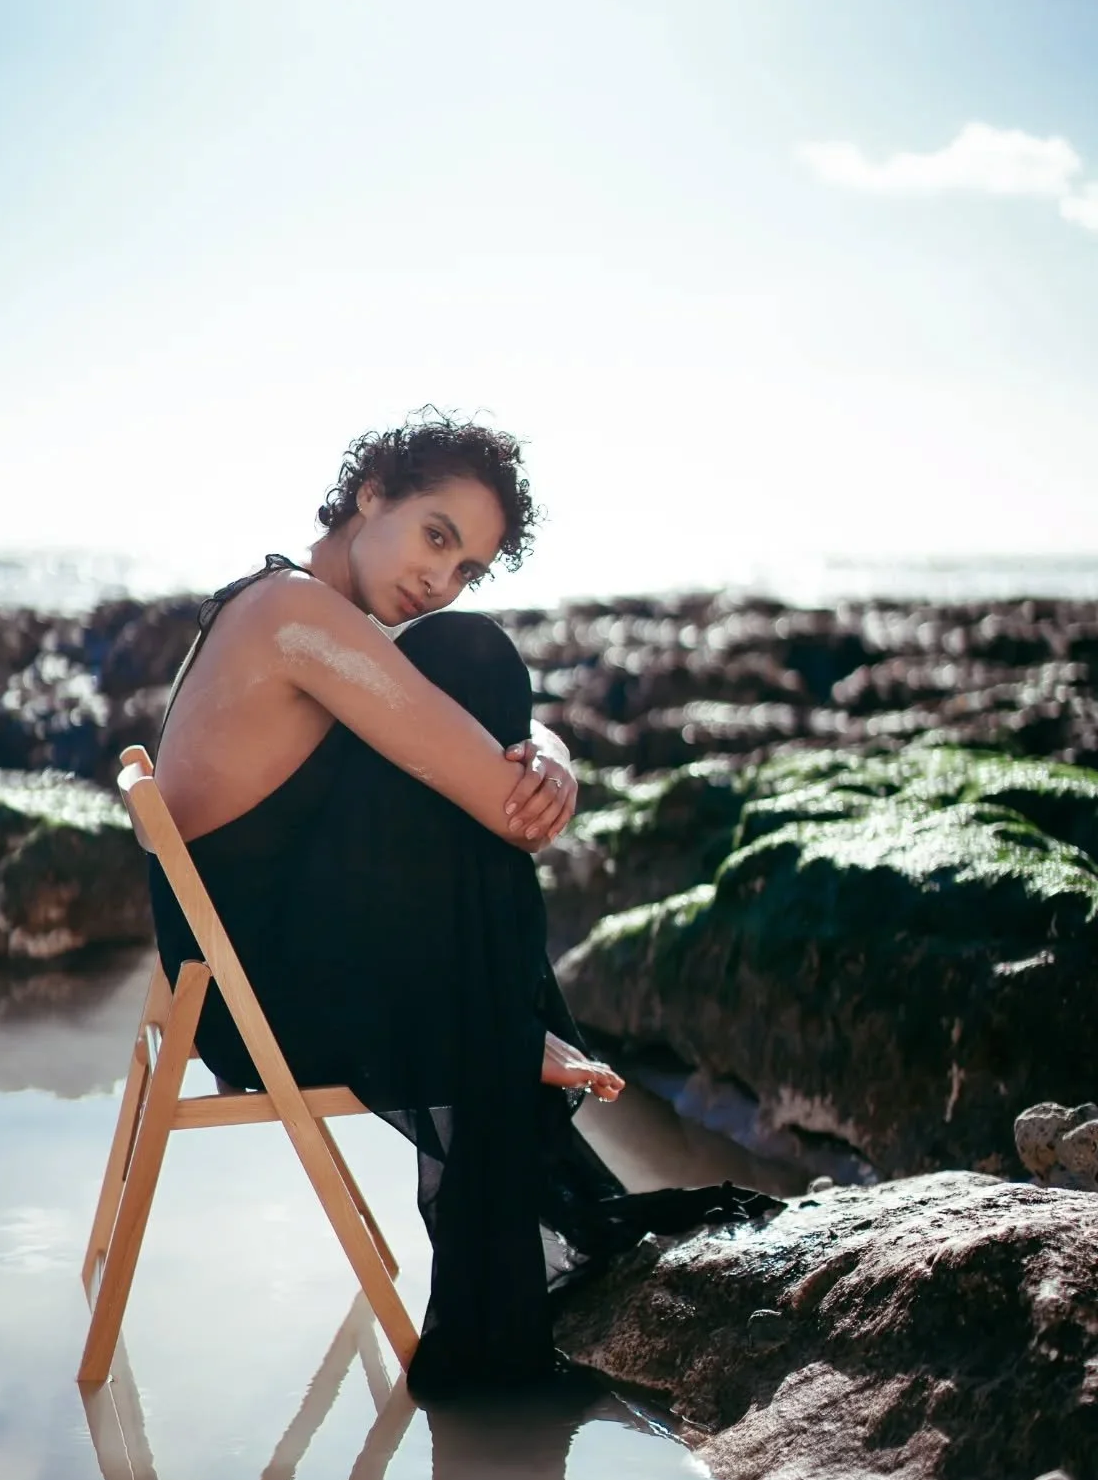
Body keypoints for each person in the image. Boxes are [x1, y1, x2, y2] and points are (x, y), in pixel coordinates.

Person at [149, 413, 776, 1400]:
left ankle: (496, 1024)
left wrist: (554, 755)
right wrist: (539, 774)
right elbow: (501, 806)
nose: (441, 578)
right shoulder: (293, 617)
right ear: (371, 496)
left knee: (462, 658)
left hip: (253, 984)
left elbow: (480, 771)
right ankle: (497, 1028)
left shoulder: (283, 606)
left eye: (469, 565)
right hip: (267, 1007)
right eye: (437, 535)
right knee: (472, 655)